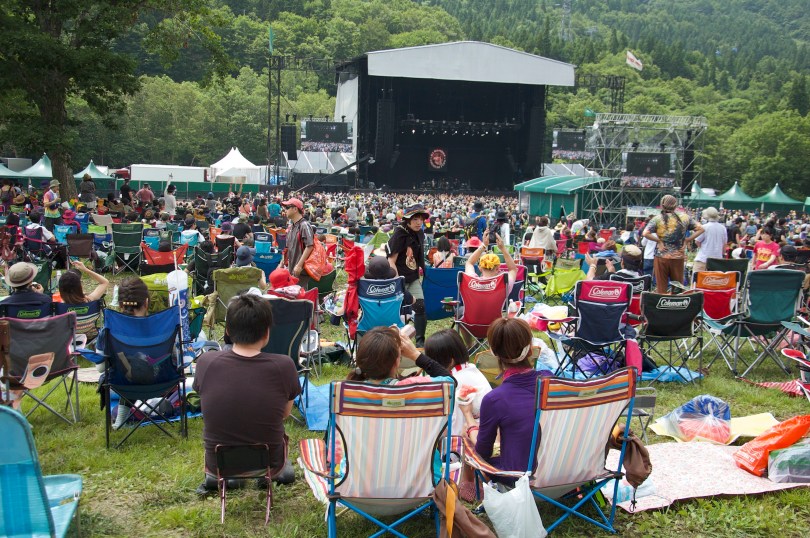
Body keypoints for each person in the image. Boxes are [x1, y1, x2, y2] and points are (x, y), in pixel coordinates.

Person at [193, 294, 300, 495]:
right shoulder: (284, 365)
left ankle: (233, 476)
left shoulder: (206, 362)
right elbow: (285, 414)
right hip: (270, 462)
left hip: (218, 464)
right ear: (267, 333)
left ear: (228, 331)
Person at [459, 317, 551, 500]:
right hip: (566, 473)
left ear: (493, 352)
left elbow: (483, 452)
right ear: (531, 348)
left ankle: (467, 488)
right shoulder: (552, 383)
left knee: (467, 436)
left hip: (519, 478)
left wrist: (469, 419)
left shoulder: (495, 399)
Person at [424, 329, 491, 436]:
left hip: (471, 440)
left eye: (432, 362)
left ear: (450, 361)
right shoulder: (470, 369)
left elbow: (455, 428)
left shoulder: (455, 383)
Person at [387, 203, 429, 347]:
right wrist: (398, 282)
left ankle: (420, 343)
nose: (419, 222)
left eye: (421, 219)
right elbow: (391, 261)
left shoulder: (420, 233)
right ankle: (395, 343)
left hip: (413, 276)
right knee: (398, 311)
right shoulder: (399, 234)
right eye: (415, 219)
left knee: (421, 306)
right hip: (399, 278)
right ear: (408, 219)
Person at [642, 194, 703, 293]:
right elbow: (701, 229)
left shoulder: (657, 219)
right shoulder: (684, 217)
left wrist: (659, 241)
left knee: (661, 288)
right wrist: (687, 240)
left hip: (661, 255)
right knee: (678, 288)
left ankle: (662, 305)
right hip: (678, 256)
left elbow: (645, 233)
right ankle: (676, 306)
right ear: (675, 206)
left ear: (662, 205)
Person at [465, 230, 518, 297]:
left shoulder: (471, 282)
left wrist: (484, 245)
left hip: (475, 307)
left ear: (480, 268)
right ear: (498, 268)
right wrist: (503, 248)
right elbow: (513, 269)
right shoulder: (505, 283)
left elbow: (469, 263)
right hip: (497, 308)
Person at [283, 197, 314, 289]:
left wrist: (299, 265)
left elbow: (310, 245)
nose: (285, 210)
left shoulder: (304, 225)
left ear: (295, 209)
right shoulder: (291, 227)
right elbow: (288, 248)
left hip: (301, 271)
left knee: (300, 295)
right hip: (292, 269)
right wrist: (281, 264)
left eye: (287, 207)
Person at [693, 206, 727, 273]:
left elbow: (697, 241)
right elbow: (724, 244)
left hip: (703, 259)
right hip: (717, 260)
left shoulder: (704, 227)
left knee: (697, 280)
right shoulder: (723, 228)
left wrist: (703, 247)